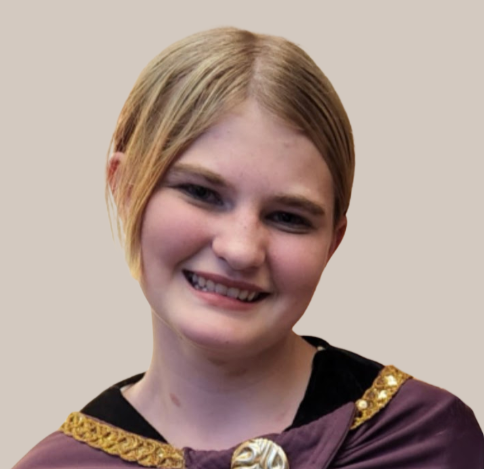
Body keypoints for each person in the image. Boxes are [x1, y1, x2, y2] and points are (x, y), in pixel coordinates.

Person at [13, 27, 483, 469]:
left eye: (288, 218)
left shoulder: (431, 441)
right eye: (201, 192)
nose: (240, 249)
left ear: (332, 242)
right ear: (127, 189)